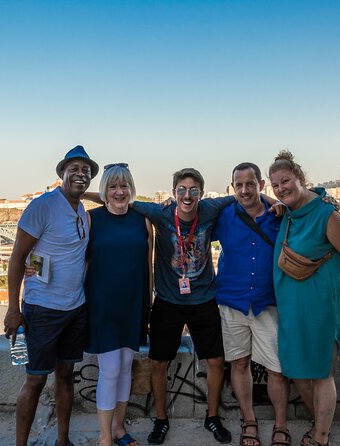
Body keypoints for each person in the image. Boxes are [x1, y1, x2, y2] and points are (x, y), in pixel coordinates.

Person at [130, 168, 235, 445]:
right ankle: (161, 419)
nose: (187, 195)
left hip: (203, 299)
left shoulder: (211, 208)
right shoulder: (161, 213)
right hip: (168, 301)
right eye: (182, 190)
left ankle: (212, 417)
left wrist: (314, 198)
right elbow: (118, 199)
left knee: (215, 360)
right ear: (173, 192)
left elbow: (248, 194)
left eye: (193, 190)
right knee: (158, 363)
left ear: (201, 193)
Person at [4, 145, 98, 446]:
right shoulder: (42, 206)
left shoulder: (83, 211)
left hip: (75, 308)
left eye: (86, 171)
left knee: (66, 376)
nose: (81, 174)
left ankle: (63, 440)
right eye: (75, 169)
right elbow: (17, 257)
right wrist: (12, 309)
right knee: (35, 380)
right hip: (42, 308)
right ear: (62, 174)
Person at [268, 150, 340, 446]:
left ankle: (320, 435)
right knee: (295, 368)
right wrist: (276, 205)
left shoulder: (327, 214)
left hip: (325, 305)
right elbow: (269, 202)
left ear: (301, 178)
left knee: (321, 371)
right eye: (275, 186)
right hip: (294, 307)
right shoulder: (289, 213)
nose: (281, 188)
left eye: (286, 181)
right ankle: (321, 420)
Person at [212, 162, 290, 446]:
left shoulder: (278, 215)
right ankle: (249, 420)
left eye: (250, 184)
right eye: (239, 185)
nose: (244, 190)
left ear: (261, 185)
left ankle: (281, 425)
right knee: (239, 363)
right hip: (232, 301)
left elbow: (309, 202)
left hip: (267, 303)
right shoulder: (223, 216)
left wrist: (277, 202)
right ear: (233, 187)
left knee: (276, 369)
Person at [84, 163, 153, 446]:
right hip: (102, 305)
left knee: (126, 367)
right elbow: (80, 262)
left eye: (124, 186)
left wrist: (148, 304)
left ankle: (119, 428)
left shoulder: (143, 220)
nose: (119, 192)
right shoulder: (91, 219)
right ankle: (104, 436)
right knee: (110, 369)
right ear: (104, 191)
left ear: (131, 189)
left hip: (133, 303)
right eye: (113, 186)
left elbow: (147, 266)